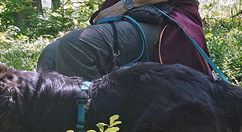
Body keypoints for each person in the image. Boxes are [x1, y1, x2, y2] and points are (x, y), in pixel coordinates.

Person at [36, 0, 212, 80]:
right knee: (49, 55)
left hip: (167, 18)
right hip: (125, 19)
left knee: (76, 45)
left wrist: (126, 4)